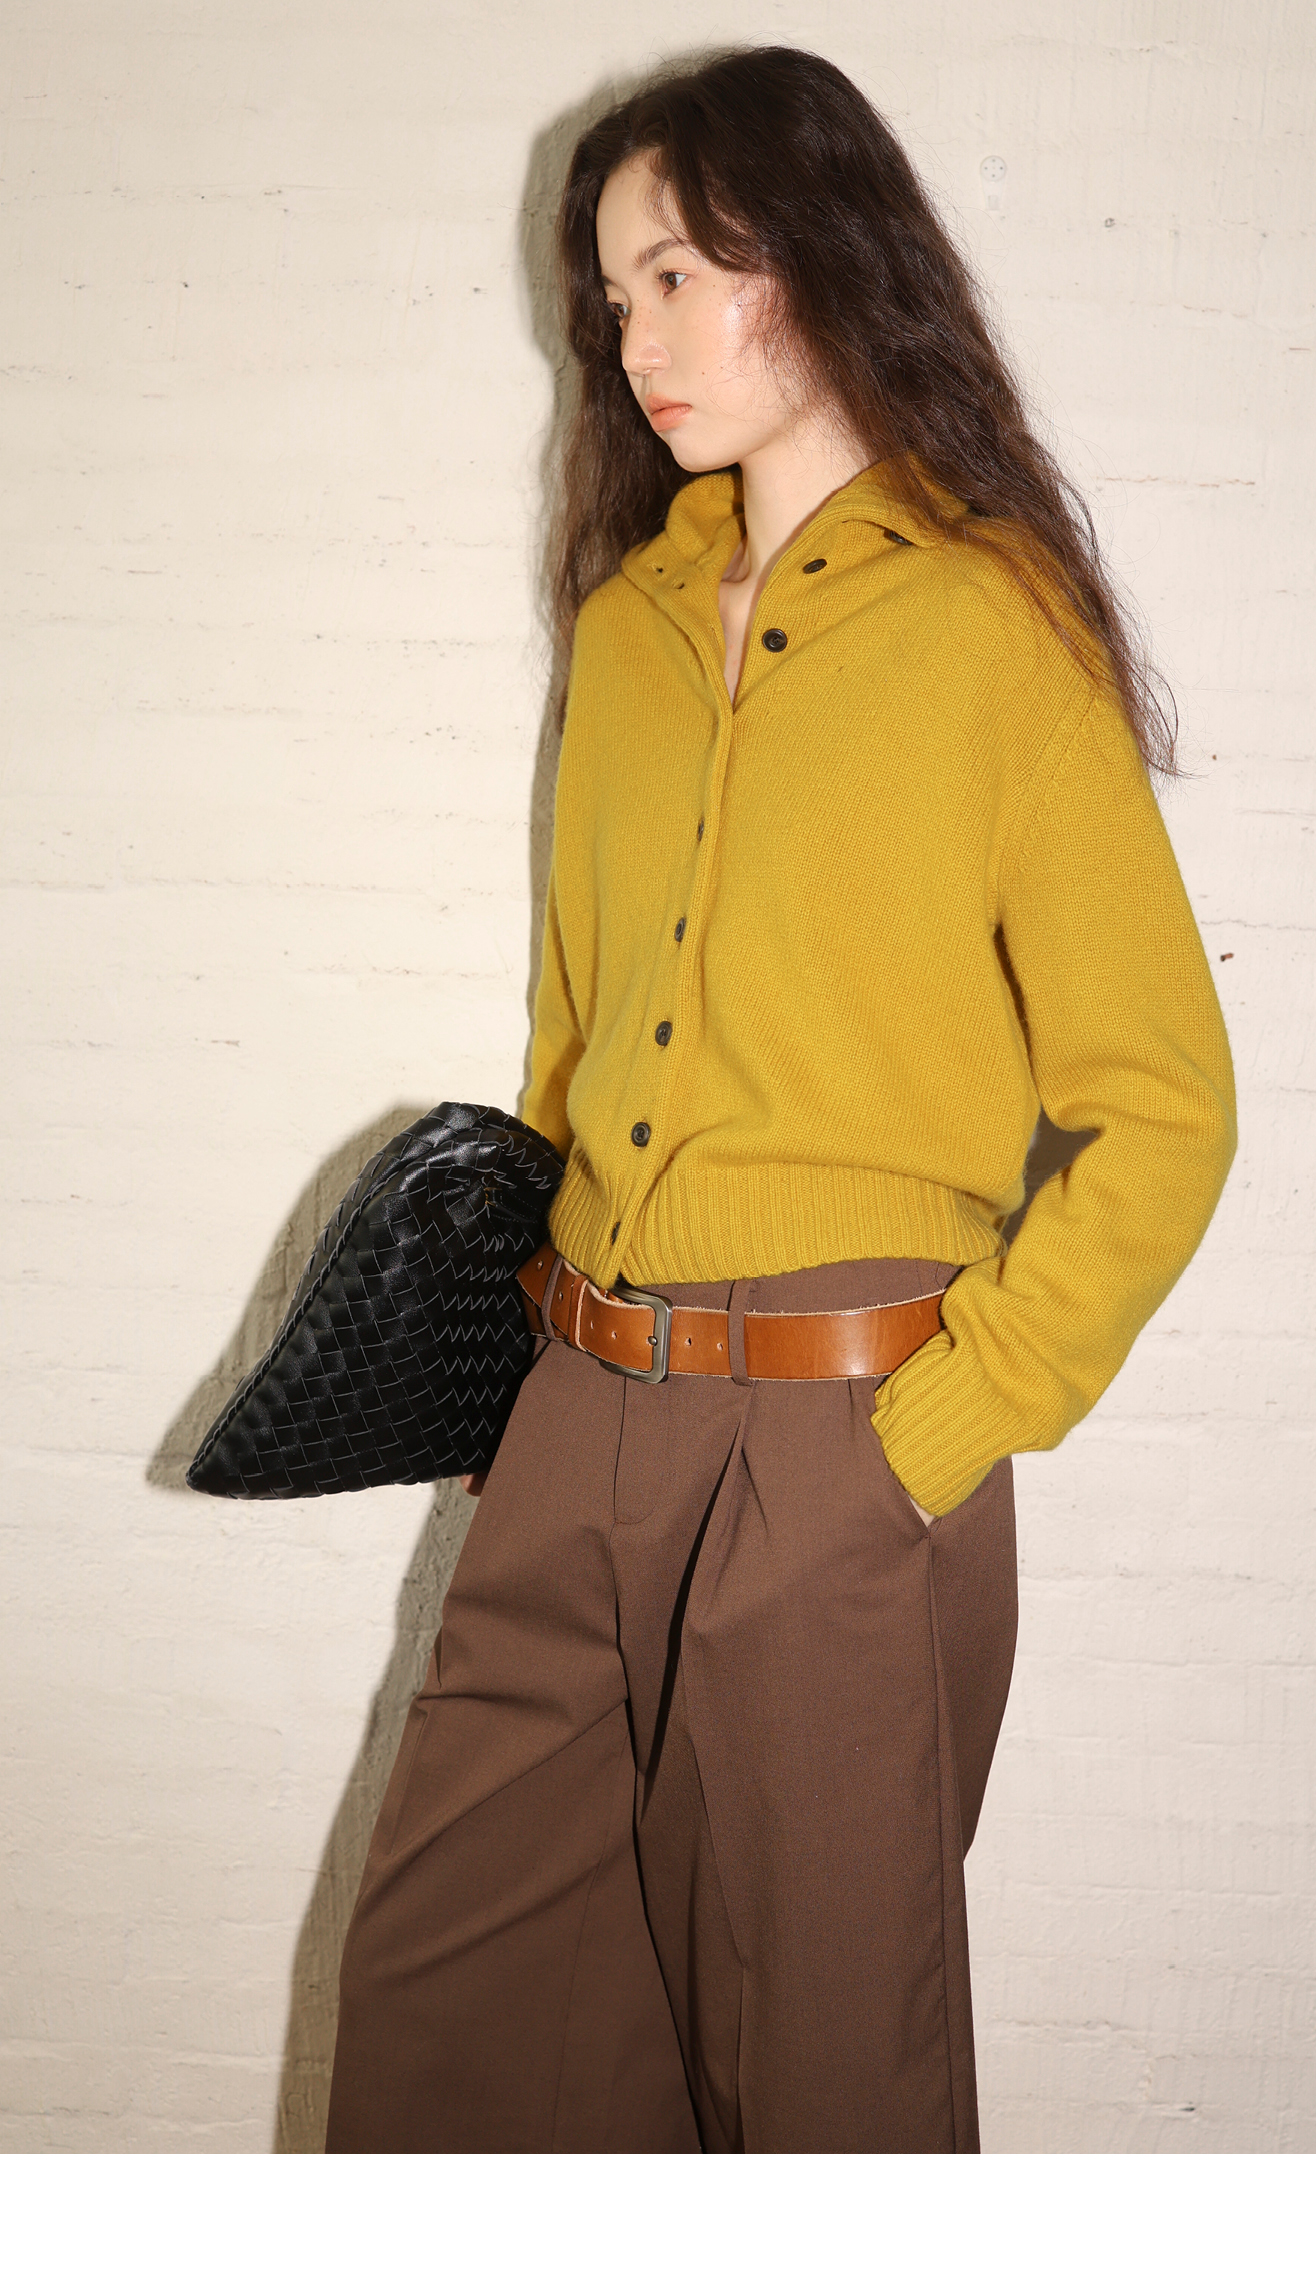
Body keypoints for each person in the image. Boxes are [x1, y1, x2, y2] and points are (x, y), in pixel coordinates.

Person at [323, 44, 1236, 2154]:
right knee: (453, 2026)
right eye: (609, 296)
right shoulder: (628, 629)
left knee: (824, 2077)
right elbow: (576, 1046)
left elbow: (1166, 1102)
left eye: (675, 275)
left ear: (817, 259)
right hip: (577, 1414)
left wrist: (942, 1423)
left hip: (841, 1437)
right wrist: (526, 1391)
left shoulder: (992, 625)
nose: (632, 339)